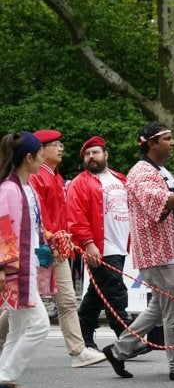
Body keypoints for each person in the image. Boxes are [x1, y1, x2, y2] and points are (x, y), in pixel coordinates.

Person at [0, 130, 106, 368]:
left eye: (61, 144)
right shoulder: (21, 185)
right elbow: (6, 228)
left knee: (31, 310)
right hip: (33, 256)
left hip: (45, 250)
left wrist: (56, 238)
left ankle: (8, 375)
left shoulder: (50, 178)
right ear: (33, 155)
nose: (60, 149)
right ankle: (6, 376)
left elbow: (39, 222)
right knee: (32, 314)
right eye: (52, 145)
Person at [103, 123, 174, 380]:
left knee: (159, 307)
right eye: (168, 139)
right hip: (158, 252)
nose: (173, 142)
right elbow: (161, 202)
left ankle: (119, 350)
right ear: (152, 143)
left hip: (168, 250)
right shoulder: (142, 172)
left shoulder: (160, 170)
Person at [66, 136, 133, 351]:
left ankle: (84, 334)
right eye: (87, 154)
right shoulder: (80, 183)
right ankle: (127, 337)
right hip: (101, 246)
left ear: (106, 154)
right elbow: (75, 216)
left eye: (95, 152)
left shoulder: (121, 179)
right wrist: (87, 242)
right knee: (114, 290)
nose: (90, 157)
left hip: (120, 244)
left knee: (97, 292)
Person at [0, 132, 51, 388]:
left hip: (25, 265)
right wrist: (3, 267)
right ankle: (4, 377)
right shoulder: (8, 189)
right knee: (39, 325)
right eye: (40, 152)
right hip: (14, 269)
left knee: (18, 331)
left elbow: (30, 227)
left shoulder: (26, 188)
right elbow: (2, 229)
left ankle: (5, 382)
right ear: (28, 158)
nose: (44, 156)